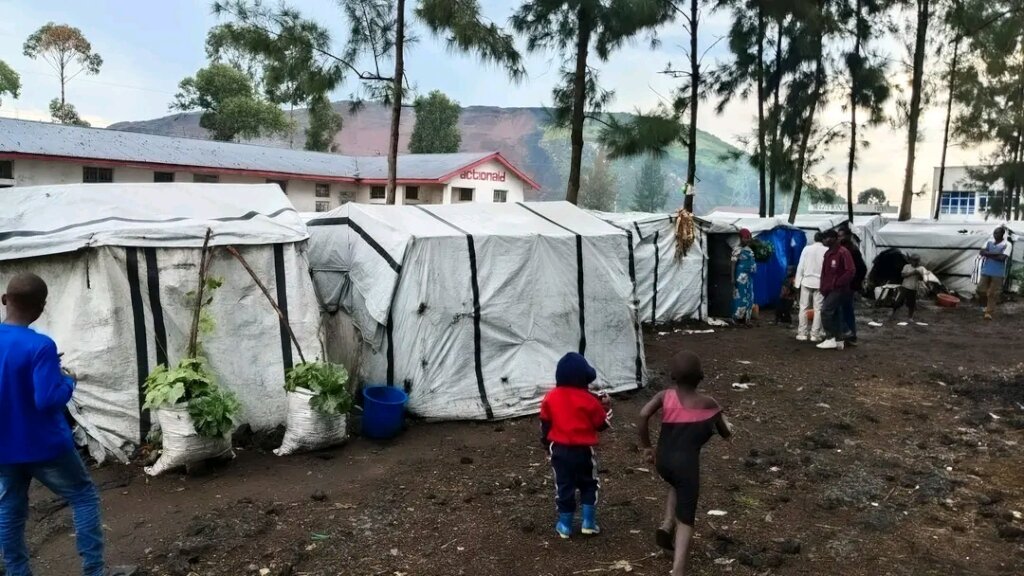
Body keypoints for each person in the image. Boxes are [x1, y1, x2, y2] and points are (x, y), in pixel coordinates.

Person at [0, 274, 109, 576]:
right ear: (42, 307)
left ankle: (17, 571)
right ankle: (94, 571)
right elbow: (47, 400)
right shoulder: (41, 346)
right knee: (83, 495)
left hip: (4, 446)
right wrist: (66, 379)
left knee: (10, 507)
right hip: (44, 445)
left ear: (4, 300)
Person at [638, 351, 732, 576]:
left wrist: (647, 447)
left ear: (673, 376)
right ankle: (679, 568)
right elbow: (725, 432)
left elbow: (643, 415)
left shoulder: (665, 395)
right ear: (701, 377)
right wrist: (725, 426)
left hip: (664, 462)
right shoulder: (708, 403)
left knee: (675, 485)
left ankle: (667, 523)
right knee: (687, 520)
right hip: (686, 467)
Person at [539, 352, 611, 539]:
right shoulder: (590, 400)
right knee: (589, 484)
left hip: (560, 451)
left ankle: (564, 525)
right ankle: (588, 523)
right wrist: (606, 408)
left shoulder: (551, 397)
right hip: (583, 451)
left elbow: (545, 423)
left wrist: (546, 444)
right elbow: (601, 425)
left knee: (564, 485)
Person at [816, 230, 856, 351]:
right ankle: (839, 339)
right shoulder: (828, 253)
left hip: (839, 289)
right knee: (836, 313)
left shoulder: (843, 252)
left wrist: (837, 283)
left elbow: (850, 270)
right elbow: (825, 273)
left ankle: (830, 338)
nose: (823, 241)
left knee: (825, 311)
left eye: (826, 238)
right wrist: (823, 286)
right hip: (829, 289)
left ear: (833, 238)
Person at [795, 232, 828, 342]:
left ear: (814, 239)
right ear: (823, 239)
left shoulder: (806, 249)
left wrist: (797, 283)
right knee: (818, 309)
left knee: (803, 307)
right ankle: (815, 334)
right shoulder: (826, 250)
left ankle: (802, 333)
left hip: (806, 281)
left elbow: (800, 266)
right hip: (820, 283)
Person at [838, 227, 867, 344]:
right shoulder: (845, 249)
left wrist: (854, 283)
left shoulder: (852, 250)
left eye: (841, 236)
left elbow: (862, 269)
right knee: (846, 309)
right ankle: (849, 335)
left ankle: (848, 334)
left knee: (842, 309)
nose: (839, 238)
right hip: (845, 285)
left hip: (848, 286)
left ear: (847, 236)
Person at [977, 227, 1010, 320]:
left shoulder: (1007, 244)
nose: (995, 235)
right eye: (994, 233)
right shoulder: (989, 242)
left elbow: (1002, 258)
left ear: (1002, 234)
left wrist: (988, 253)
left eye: (997, 233)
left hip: (998, 273)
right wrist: (996, 254)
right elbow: (981, 252)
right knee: (980, 290)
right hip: (986, 270)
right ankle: (984, 307)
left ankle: (988, 312)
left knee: (993, 293)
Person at [731, 229, 757, 325]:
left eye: (749, 238)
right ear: (741, 238)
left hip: (749, 278)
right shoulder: (737, 250)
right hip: (740, 278)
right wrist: (732, 278)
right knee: (740, 297)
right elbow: (733, 264)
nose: (747, 240)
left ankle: (747, 319)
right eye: (745, 238)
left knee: (749, 297)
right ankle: (737, 318)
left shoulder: (749, 250)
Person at [892, 254, 925, 321]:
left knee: (911, 304)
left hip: (913, 288)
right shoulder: (907, 266)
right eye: (914, 260)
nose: (916, 262)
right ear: (911, 261)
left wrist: (919, 274)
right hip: (905, 287)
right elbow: (903, 275)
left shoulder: (921, 268)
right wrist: (912, 273)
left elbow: (922, 279)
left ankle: (910, 317)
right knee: (898, 302)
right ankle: (893, 314)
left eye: (917, 261)